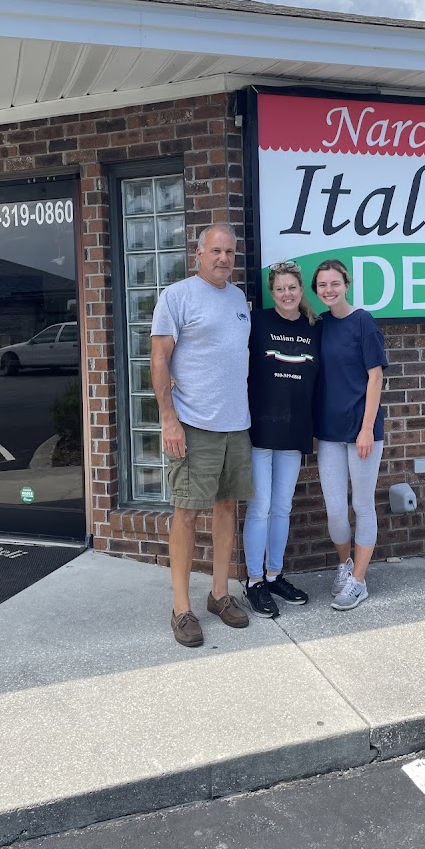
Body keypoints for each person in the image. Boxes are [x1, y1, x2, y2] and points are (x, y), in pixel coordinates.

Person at [151, 222, 254, 648]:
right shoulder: (176, 297)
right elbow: (159, 358)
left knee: (227, 507)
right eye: (215, 251)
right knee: (187, 513)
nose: (223, 258)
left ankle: (218, 595)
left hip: (236, 424)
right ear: (198, 253)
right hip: (194, 426)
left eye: (229, 252)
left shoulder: (238, 300)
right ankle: (181, 608)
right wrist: (168, 419)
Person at [243, 261, 320, 618]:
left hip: (294, 429)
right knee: (260, 507)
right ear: (271, 293)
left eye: (292, 288)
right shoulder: (256, 322)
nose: (286, 294)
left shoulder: (313, 327)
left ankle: (275, 575)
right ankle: (254, 581)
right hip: (260, 429)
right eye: (279, 289)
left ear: (300, 290)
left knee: (283, 506)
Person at [312, 259, 388, 610]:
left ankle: (359, 580)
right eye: (322, 285)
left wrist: (367, 429)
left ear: (347, 283)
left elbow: (376, 377)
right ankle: (344, 566)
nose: (329, 290)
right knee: (335, 511)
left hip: (362, 431)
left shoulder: (363, 322)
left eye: (334, 283)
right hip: (328, 432)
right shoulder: (320, 325)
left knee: (361, 504)